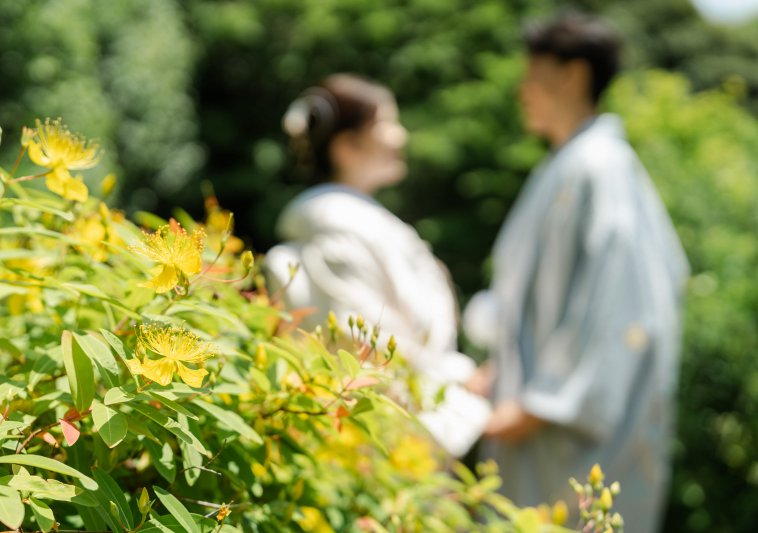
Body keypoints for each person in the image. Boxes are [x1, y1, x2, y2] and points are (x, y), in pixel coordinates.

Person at [466, 14, 689, 532]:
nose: (521, 90)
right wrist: (500, 371)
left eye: (532, 73)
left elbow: (622, 304)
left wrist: (541, 403)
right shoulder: (567, 165)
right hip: (532, 413)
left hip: (563, 426)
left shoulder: (599, 166)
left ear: (573, 75)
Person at [266, 74, 490, 457]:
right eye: (386, 123)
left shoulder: (355, 222)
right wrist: (464, 382)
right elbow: (368, 346)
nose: (400, 136)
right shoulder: (339, 227)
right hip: (390, 440)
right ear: (347, 145)